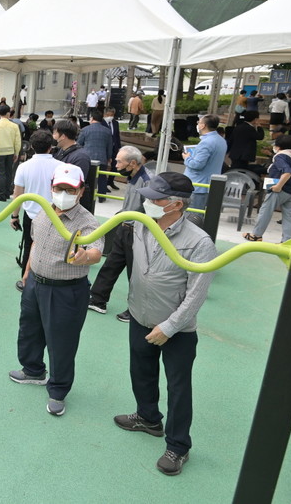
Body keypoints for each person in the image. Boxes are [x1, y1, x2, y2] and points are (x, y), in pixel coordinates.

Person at [113, 172, 217, 476]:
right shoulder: (141, 226)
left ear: (177, 204)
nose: (149, 203)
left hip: (177, 330)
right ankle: (148, 417)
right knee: (140, 372)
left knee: (179, 387)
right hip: (140, 316)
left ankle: (178, 446)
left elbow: (197, 294)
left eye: (156, 199)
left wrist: (169, 327)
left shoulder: (199, 242)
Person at [9, 163, 103, 417]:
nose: (63, 193)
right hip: (36, 283)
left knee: (62, 342)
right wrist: (27, 274)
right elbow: (36, 244)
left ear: (81, 191)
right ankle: (33, 369)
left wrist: (84, 256)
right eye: (59, 188)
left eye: (70, 189)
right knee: (29, 328)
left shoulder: (87, 221)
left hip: (66, 290)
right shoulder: (43, 211)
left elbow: (95, 251)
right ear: (51, 187)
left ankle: (58, 390)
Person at [88, 146, 152, 320]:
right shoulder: (132, 177)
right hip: (124, 228)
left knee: (136, 273)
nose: (115, 165)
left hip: (138, 232)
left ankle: (136, 310)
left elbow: (151, 212)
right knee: (111, 264)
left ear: (132, 163)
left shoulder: (147, 182)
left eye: (119, 162)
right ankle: (97, 299)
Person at [10, 130, 64, 291]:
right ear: (50, 147)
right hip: (54, 216)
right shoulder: (61, 167)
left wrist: (14, 216)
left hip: (31, 215)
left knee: (29, 246)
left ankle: (25, 281)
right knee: (53, 248)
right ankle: (48, 280)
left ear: (32, 146)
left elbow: (17, 194)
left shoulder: (24, 167)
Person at [182, 114, 227, 210]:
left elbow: (197, 165)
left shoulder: (206, 142)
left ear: (203, 126)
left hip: (198, 185)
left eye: (198, 122)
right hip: (209, 184)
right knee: (199, 216)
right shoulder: (221, 140)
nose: (197, 124)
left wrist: (187, 158)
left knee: (193, 216)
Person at [77, 110, 113, 200]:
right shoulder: (107, 131)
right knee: (102, 178)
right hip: (102, 158)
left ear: (92, 118)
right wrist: (109, 158)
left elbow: (79, 144)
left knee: (88, 177)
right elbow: (109, 146)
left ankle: (88, 196)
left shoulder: (85, 130)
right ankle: (101, 197)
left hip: (88, 158)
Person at [0, 104, 21, 202]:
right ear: (8, 113)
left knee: (1, 173)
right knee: (9, 173)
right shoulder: (14, 126)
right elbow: (17, 141)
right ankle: (7, 192)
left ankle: (1, 194)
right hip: (10, 152)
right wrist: (16, 152)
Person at [103, 108, 122, 190]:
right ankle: (103, 184)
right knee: (104, 166)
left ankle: (110, 181)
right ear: (105, 115)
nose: (110, 117)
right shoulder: (101, 123)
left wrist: (119, 147)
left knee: (115, 166)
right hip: (105, 148)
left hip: (114, 148)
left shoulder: (115, 123)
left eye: (112, 115)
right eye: (108, 115)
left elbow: (117, 136)